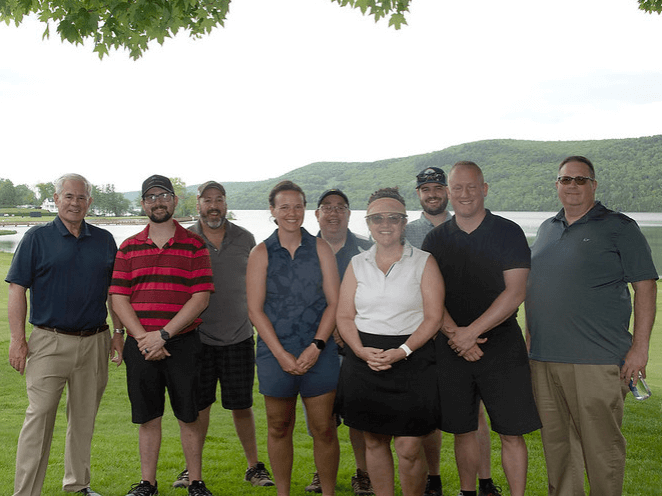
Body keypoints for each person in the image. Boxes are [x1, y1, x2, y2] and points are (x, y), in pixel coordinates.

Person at [525, 156, 658, 496]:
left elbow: (645, 286)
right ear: (556, 185)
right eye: (566, 180)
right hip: (544, 359)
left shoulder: (619, 227)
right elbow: (536, 289)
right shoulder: (546, 229)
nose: (572, 186)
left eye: (581, 180)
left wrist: (639, 349)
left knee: (602, 450)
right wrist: (528, 344)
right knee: (558, 448)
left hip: (596, 360)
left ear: (594, 185)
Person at [422, 161, 541, 496]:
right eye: (457, 187)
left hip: (502, 346)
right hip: (452, 348)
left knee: (511, 433)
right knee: (463, 429)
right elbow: (430, 296)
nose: (465, 194)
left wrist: (470, 332)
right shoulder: (435, 239)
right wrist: (456, 335)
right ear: (448, 192)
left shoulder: (508, 232)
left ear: (485, 188)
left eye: (472, 187)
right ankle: (468, 492)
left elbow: (516, 291)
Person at [6, 173, 123, 496]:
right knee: (38, 418)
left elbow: (115, 292)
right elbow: (17, 291)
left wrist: (118, 332)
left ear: (90, 202)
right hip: (48, 341)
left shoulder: (103, 240)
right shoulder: (36, 238)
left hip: (95, 340)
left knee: (84, 419)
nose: (75, 203)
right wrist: (18, 340)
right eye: (68, 196)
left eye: (81, 197)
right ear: (56, 199)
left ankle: (78, 485)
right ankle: (26, 492)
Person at [109, 175, 215, 496]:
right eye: (151, 197)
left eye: (164, 195)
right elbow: (118, 297)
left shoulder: (195, 245)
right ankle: (147, 484)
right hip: (140, 346)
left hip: (182, 344)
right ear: (143, 204)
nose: (158, 201)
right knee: (148, 417)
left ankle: (195, 481)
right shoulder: (128, 247)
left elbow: (201, 298)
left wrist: (164, 335)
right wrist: (144, 338)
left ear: (174, 201)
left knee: (189, 416)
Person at [335, 187, 444, 496]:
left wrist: (403, 351)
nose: (385, 224)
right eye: (377, 218)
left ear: (403, 222)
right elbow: (344, 316)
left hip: (413, 359)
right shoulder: (357, 264)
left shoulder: (424, 262)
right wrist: (359, 351)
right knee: (373, 441)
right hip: (365, 359)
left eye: (393, 218)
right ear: (368, 223)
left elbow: (433, 318)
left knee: (409, 447)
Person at [171, 181, 274, 488]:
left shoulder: (246, 238)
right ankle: (192, 470)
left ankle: (254, 466)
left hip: (239, 336)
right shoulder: (186, 239)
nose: (213, 205)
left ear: (226, 204)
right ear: (198, 204)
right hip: (196, 338)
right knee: (198, 408)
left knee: (242, 405)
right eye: (207, 200)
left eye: (219, 199)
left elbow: (257, 285)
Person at [406, 167, 500, 496]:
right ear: (418, 194)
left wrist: (464, 334)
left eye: (437, 187)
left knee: (476, 413)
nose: (431, 194)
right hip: (423, 337)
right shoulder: (408, 231)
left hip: (466, 333)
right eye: (424, 189)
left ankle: (485, 481)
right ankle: (434, 479)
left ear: (447, 190)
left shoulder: (468, 223)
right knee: (429, 412)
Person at [246, 180, 341, 496]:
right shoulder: (260, 253)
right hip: (275, 354)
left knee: (324, 429)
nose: (291, 212)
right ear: (272, 211)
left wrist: (317, 345)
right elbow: (256, 311)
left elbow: (334, 302)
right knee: (278, 427)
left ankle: (328, 492)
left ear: (306, 210)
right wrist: (282, 355)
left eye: (297, 206)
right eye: (284, 206)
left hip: (319, 351)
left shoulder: (321, 248)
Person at [304, 189, 374, 495]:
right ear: (316, 214)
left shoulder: (366, 250)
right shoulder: (303, 250)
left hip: (355, 346)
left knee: (359, 416)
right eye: (327, 208)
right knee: (321, 419)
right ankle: (322, 473)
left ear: (349, 213)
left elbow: (376, 300)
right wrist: (324, 331)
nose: (334, 213)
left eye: (340, 208)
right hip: (315, 347)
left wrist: (345, 330)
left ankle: (364, 474)